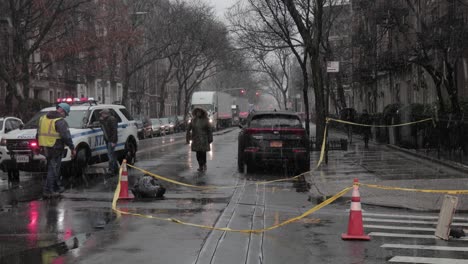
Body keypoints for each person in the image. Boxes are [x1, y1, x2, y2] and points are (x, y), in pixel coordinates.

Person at [37, 102, 75, 198]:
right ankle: (49, 191)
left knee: (51, 168)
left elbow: (38, 134)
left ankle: (52, 188)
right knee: (53, 170)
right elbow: (66, 136)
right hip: (55, 147)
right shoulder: (59, 121)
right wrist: (72, 147)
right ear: (61, 110)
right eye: (65, 114)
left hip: (45, 147)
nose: (65, 116)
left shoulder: (43, 118)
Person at [99, 109, 119, 175]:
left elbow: (114, 131)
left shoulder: (111, 119)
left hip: (111, 140)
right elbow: (103, 126)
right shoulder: (106, 120)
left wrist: (113, 141)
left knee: (110, 155)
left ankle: (111, 170)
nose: (101, 115)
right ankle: (116, 169)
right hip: (108, 140)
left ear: (105, 114)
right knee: (112, 154)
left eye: (102, 114)